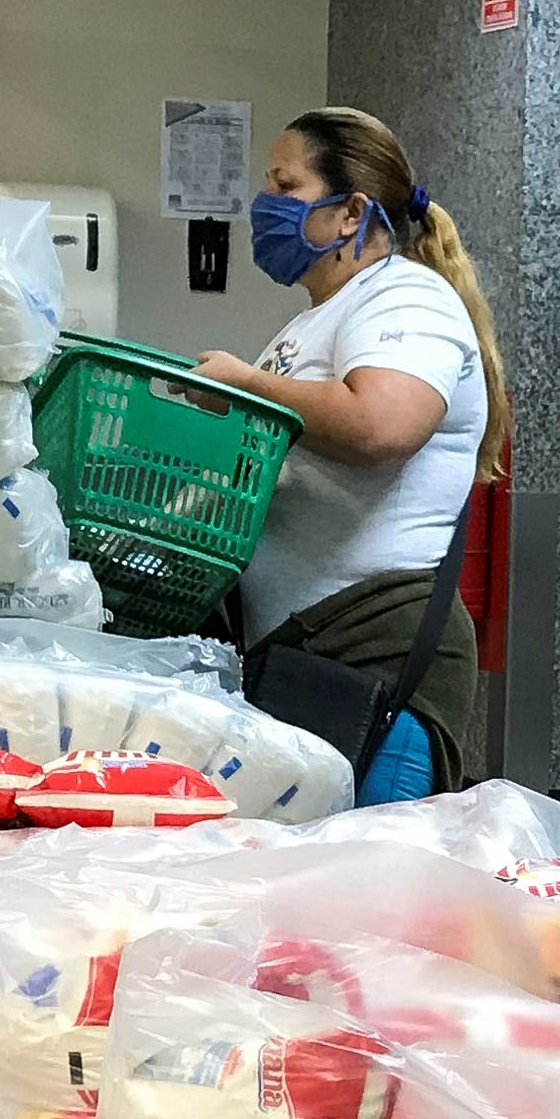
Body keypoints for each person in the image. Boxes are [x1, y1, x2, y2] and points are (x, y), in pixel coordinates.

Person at [197, 109, 503, 800]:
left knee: (365, 898)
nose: (265, 205)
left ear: (351, 212)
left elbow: (382, 425)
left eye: (285, 185)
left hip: (375, 663)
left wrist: (247, 386)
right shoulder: (319, 319)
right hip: (306, 660)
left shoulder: (407, 297)